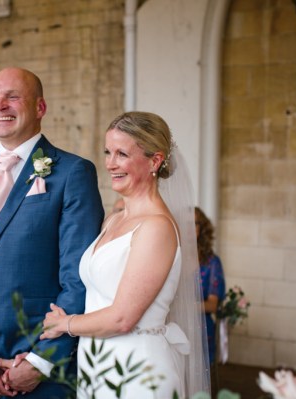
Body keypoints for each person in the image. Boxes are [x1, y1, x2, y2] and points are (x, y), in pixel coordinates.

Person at [0, 67, 104, 398]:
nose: (1, 106)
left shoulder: (72, 173)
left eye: (13, 96)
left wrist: (40, 362)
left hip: (39, 373)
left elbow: (80, 276)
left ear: (40, 108)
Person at [40, 111, 209, 398]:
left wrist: (65, 324)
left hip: (137, 368)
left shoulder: (157, 227)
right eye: (108, 152)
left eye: (122, 154)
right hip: (98, 363)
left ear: (155, 160)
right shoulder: (113, 220)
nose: (110, 163)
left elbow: (122, 318)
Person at [195, 206, 225, 365]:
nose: (188, 227)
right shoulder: (173, 255)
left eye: (194, 223)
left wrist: (184, 307)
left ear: (202, 228)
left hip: (201, 327)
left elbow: (212, 305)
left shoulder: (212, 262)